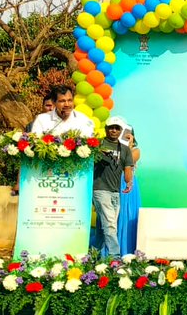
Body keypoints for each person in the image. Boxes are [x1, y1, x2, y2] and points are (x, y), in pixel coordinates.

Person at [91, 117, 134, 259]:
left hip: (115, 191)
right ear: (106, 129)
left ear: (121, 130)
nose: (114, 130)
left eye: (117, 128)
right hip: (99, 188)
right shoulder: (98, 144)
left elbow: (128, 168)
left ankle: (93, 256)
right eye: (111, 127)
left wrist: (129, 182)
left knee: (105, 228)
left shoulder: (125, 149)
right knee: (110, 225)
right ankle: (115, 258)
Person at [29, 85, 94, 136]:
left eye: (70, 100)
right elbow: (35, 142)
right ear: (54, 102)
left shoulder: (83, 119)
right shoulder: (42, 119)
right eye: (62, 101)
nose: (67, 104)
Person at [116, 127, 141, 256]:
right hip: (113, 182)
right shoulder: (113, 148)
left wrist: (129, 145)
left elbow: (127, 161)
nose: (125, 136)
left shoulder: (136, 150)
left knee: (127, 215)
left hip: (127, 183)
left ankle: (126, 251)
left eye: (128, 134)